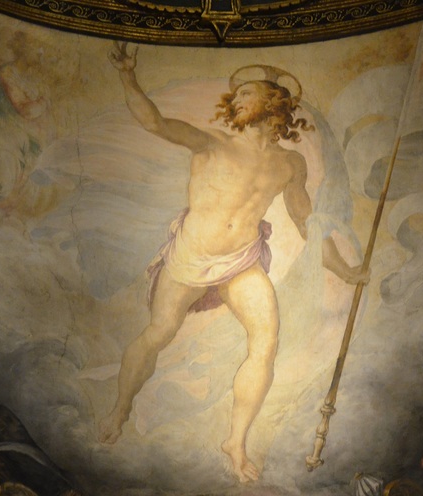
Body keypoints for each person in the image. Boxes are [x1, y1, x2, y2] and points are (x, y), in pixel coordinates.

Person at [96, 42, 368, 483]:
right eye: (236, 95)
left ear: (273, 104)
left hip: (241, 261)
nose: (236, 100)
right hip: (190, 257)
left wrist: (344, 270)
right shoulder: (213, 142)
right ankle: (120, 407)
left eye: (247, 94)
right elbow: (154, 122)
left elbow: (306, 222)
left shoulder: (289, 163)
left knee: (266, 341)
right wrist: (128, 76)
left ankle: (236, 442)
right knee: (159, 333)